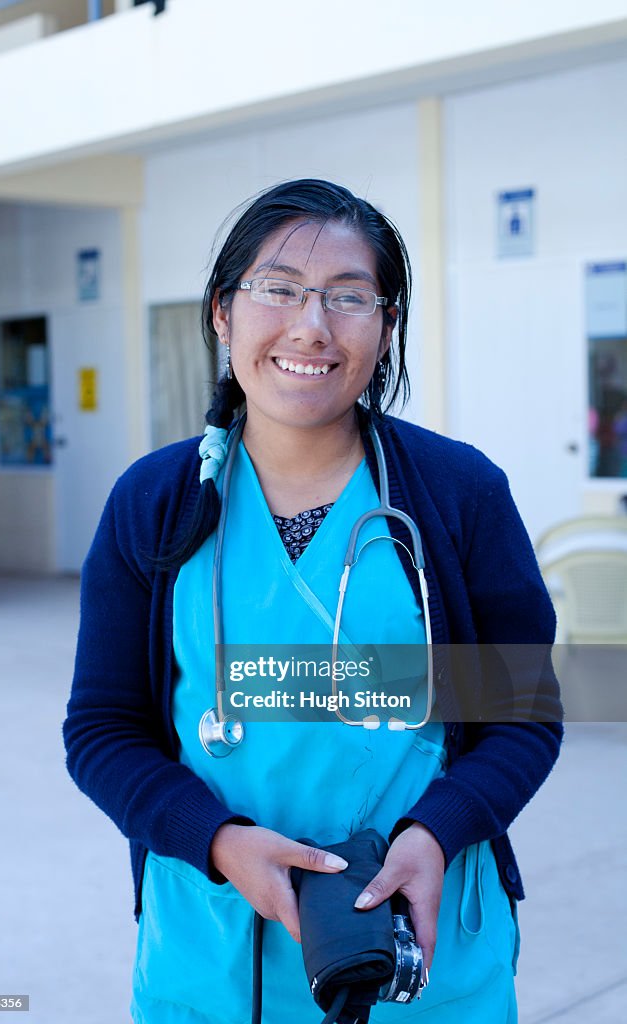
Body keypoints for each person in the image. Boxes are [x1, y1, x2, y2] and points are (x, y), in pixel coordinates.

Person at [63, 179, 562, 1023]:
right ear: (223, 312)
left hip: (416, 948)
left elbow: (521, 715)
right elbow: (103, 728)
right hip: (211, 956)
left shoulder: (454, 495)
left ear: (386, 325)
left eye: (348, 297)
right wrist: (214, 840)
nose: (311, 326)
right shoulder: (154, 503)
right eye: (279, 289)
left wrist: (437, 830)